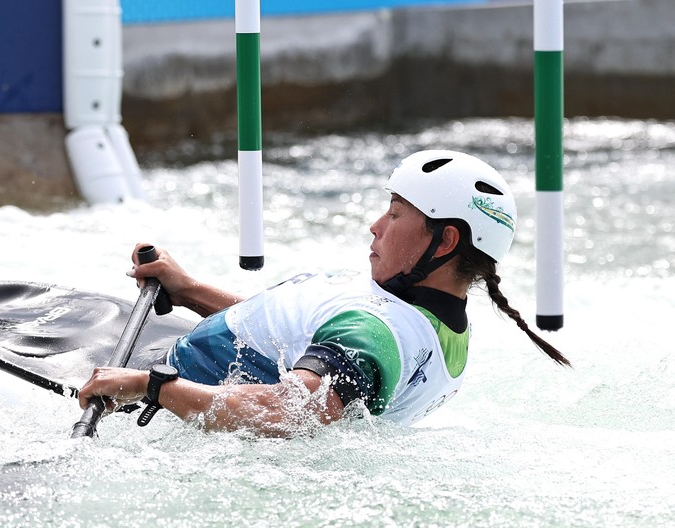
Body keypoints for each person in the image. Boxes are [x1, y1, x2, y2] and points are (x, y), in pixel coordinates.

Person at [78, 150, 570, 436]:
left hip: (166, 406)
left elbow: (287, 415)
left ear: (445, 241)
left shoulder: (374, 334)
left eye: (396, 215)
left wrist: (148, 388)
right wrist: (189, 291)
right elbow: (292, 333)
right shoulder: (432, 320)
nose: (375, 226)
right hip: (185, 373)